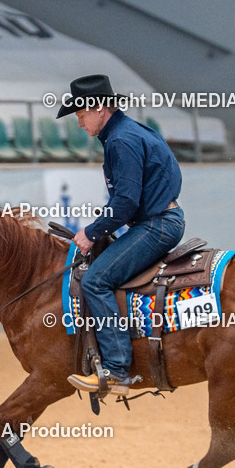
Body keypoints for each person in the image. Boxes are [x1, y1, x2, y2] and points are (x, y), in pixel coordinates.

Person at [56, 74, 184, 396]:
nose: (80, 123)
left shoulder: (121, 140)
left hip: (156, 225)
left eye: (81, 115)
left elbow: (125, 201)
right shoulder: (129, 132)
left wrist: (92, 232)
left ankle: (115, 370)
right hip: (158, 220)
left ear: (99, 108)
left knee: (95, 280)